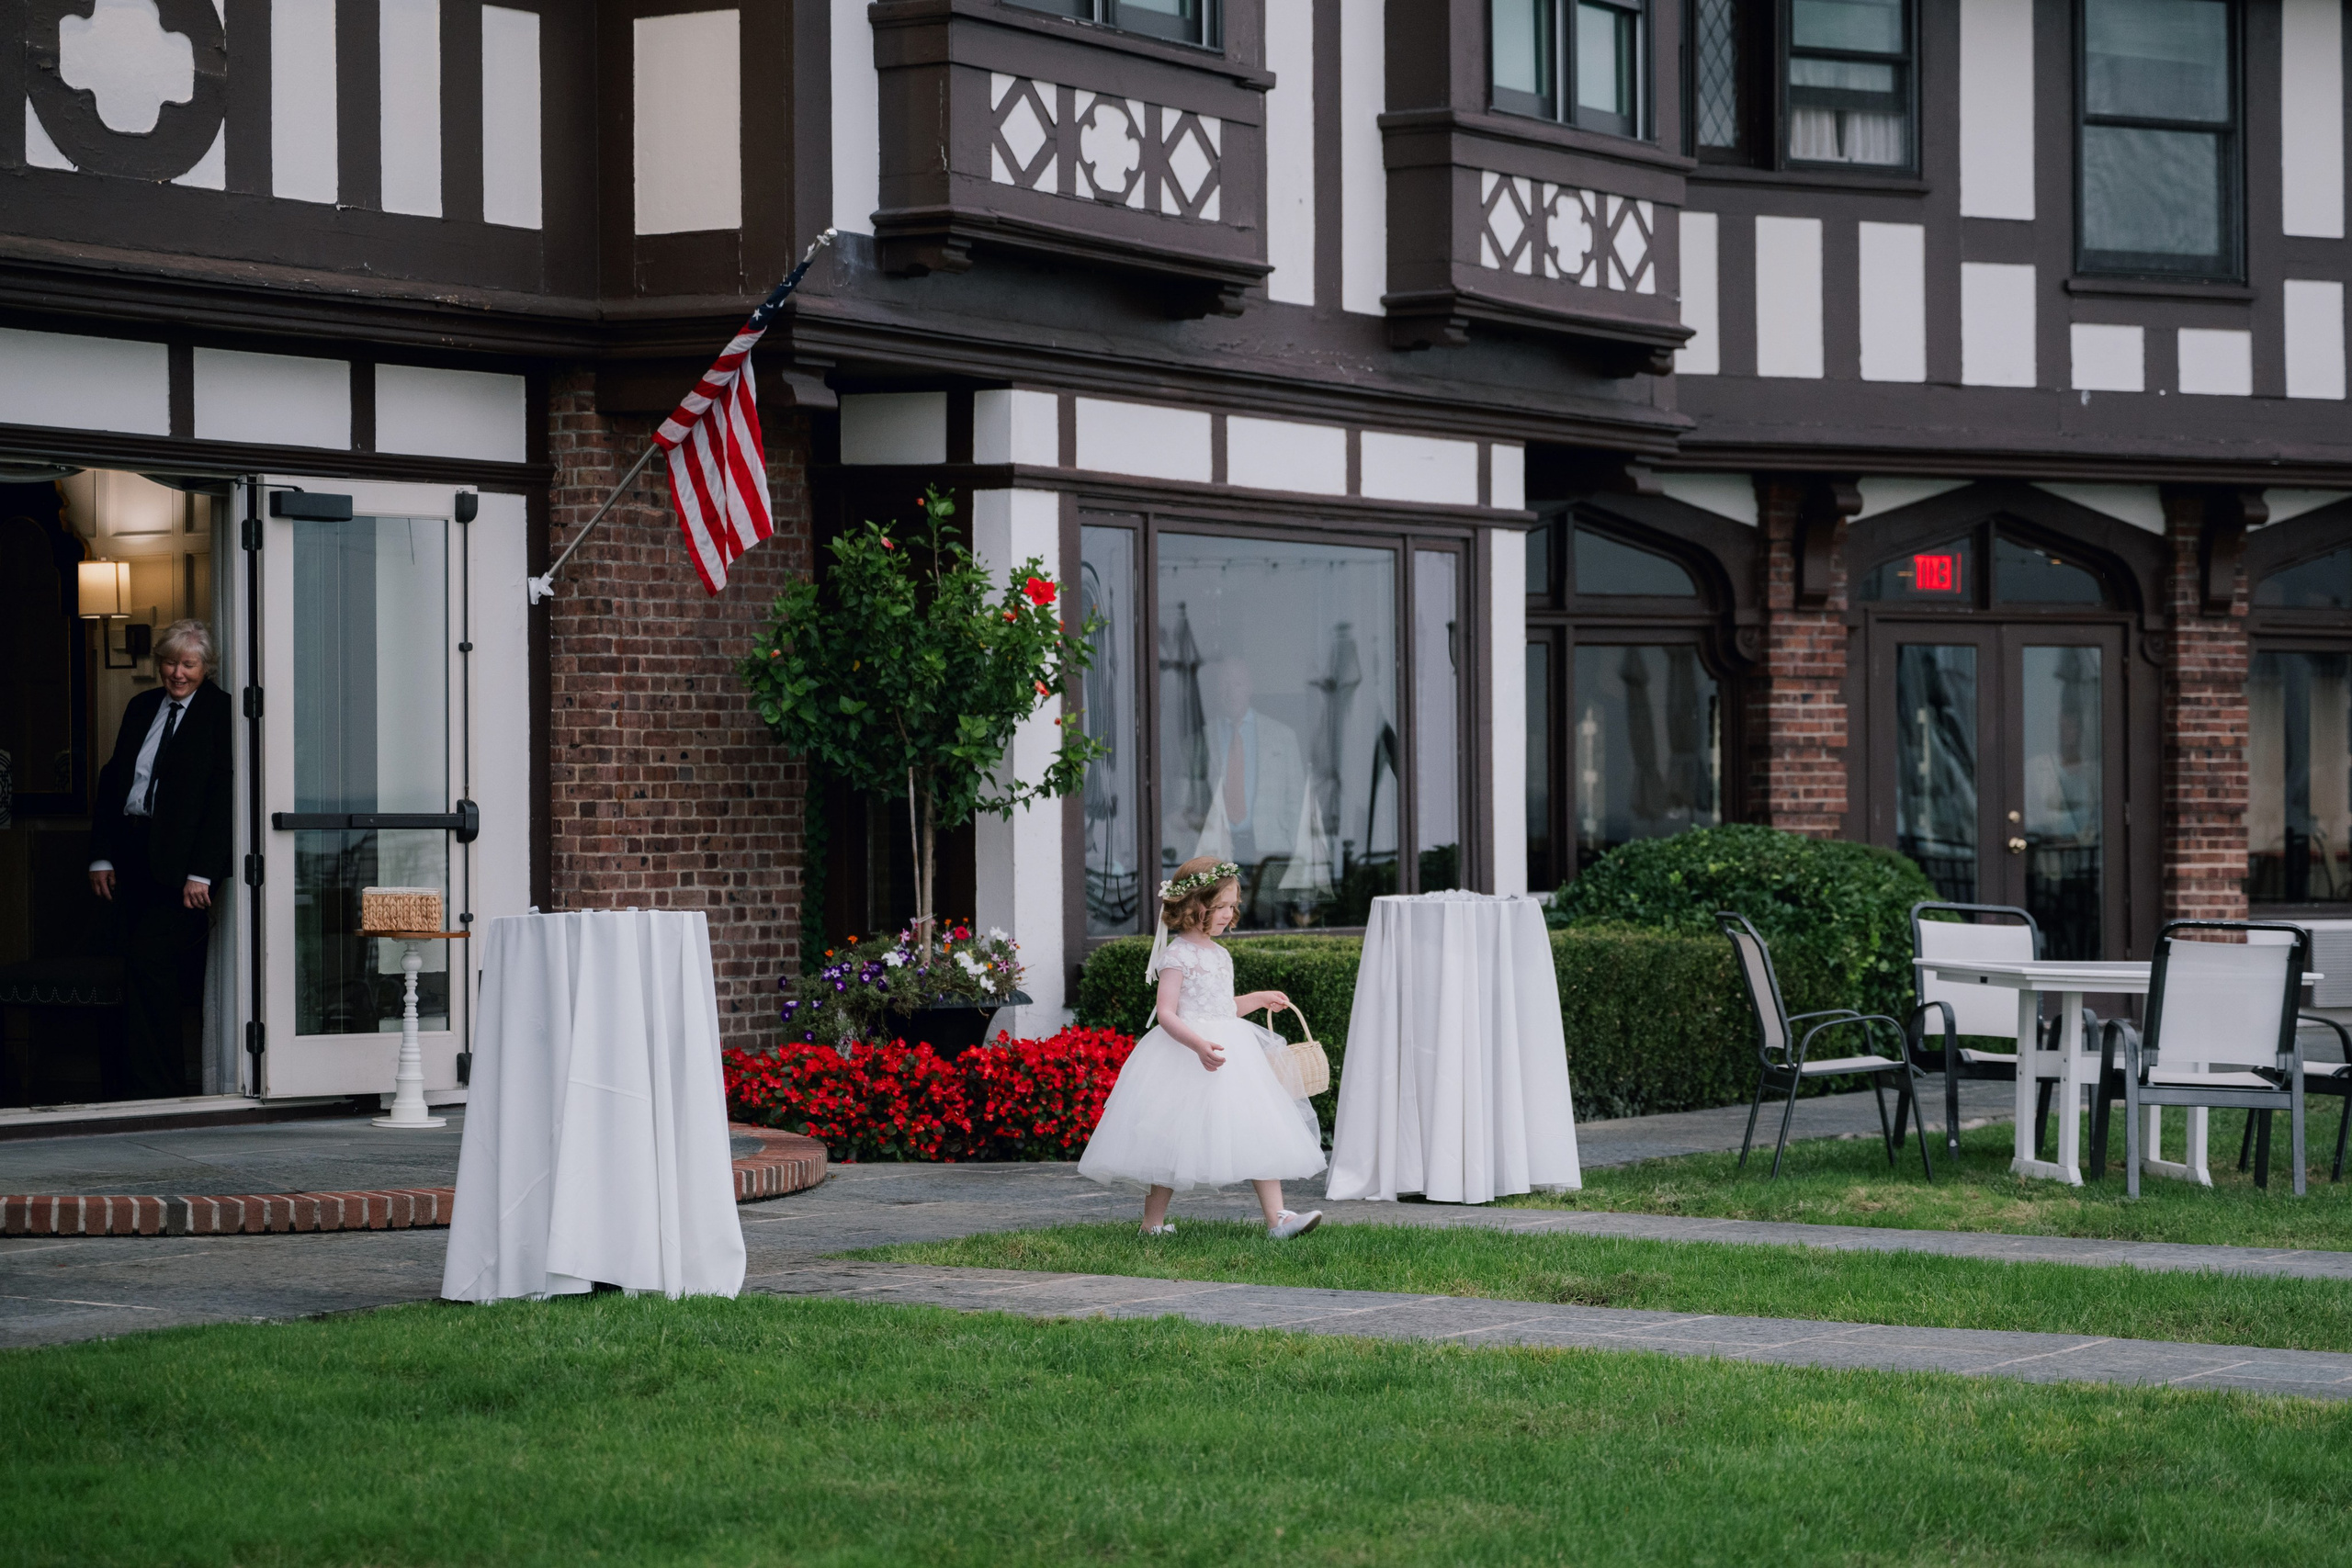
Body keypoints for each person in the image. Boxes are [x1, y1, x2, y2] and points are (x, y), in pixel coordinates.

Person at [1077, 855, 1327, 1238]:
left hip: (1231, 1052)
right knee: (1173, 1135)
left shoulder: (1219, 953)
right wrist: (1196, 1045)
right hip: (1187, 1055)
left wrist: (1257, 999)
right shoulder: (1177, 955)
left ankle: (1278, 1218)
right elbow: (1167, 1013)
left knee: (1259, 1124)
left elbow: (1223, 1009)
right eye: (1221, 906)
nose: (1229, 914)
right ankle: (1152, 1223)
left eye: (1232, 906)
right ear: (1195, 905)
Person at [88, 618, 232, 1099]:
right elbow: (114, 783)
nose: (177, 673)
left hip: (178, 869)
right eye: (170, 662)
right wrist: (101, 856)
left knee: (156, 973)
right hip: (128, 856)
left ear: (205, 667)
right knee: (133, 972)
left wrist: (203, 871)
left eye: (188, 664)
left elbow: (222, 797)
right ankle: (133, 1087)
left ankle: (160, 1089)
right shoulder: (141, 706)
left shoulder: (222, 712)